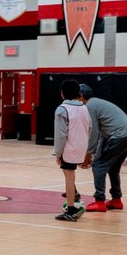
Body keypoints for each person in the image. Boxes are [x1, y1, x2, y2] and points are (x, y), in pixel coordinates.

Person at [83, 90, 127, 212]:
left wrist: (88, 154)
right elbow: (103, 135)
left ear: (81, 97)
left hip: (120, 135)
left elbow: (93, 133)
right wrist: (95, 154)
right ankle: (116, 200)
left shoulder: (89, 106)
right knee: (113, 168)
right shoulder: (98, 103)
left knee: (98, 166)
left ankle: (99, 201)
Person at [51, 79, 90, 222]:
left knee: (69, 178)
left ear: (62, 93)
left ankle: (71, 210)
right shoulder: (84, 108)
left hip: (69, 148)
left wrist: (58, 153)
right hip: (82, 147)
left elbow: (60, 135)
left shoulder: (62, 109)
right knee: (69, 175)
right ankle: (74, 194)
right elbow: (90, 128)